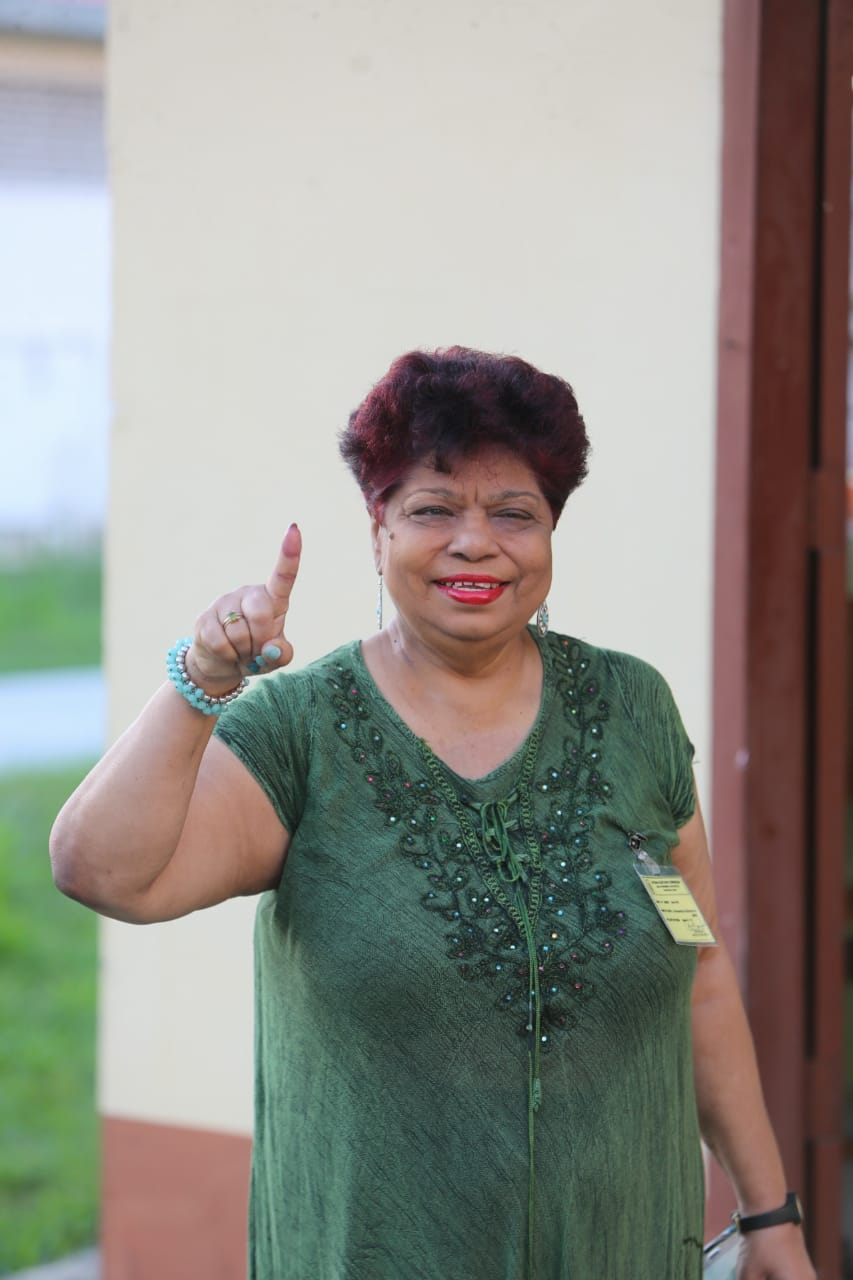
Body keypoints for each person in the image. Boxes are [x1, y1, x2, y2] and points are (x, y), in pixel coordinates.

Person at [51, 347, 815, 1280]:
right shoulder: (305, 732)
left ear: (549, 534)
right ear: (376, 530)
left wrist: (768, 1212)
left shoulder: (632, 708)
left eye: (513, 513)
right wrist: (203, 679)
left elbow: (697, 973)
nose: (475, 542)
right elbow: (103, 871)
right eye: (432, 509)